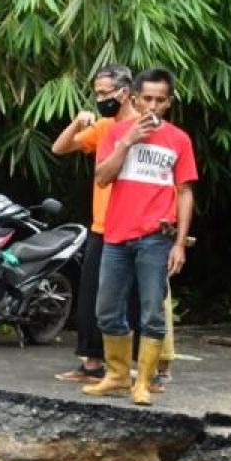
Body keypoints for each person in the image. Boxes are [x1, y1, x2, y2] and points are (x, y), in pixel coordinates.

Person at [83, 67, 197, 406]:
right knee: (105, 310)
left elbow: (185, 191)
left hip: (156, 237)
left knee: (152, 312)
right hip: (117, 235)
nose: (151, 106)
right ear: (134, 98)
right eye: (146, 98)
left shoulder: (179, 139)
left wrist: (180, 243)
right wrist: (128, 141)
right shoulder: (115, 132)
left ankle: (143, 383)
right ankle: (117, 376)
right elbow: (102, 177)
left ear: (169, 103)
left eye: (159, 100)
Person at [51, 64, 137, 382]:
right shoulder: (102, 128)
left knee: (130, 299)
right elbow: (59, 148)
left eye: (105, 93)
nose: (101, 99)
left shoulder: (142, 129)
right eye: (97, 93)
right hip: (102, 225)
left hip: (134, 227)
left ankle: (135, 368)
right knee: (91, 298)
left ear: (125, 92)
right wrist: (77, 121)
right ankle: (91, 364)